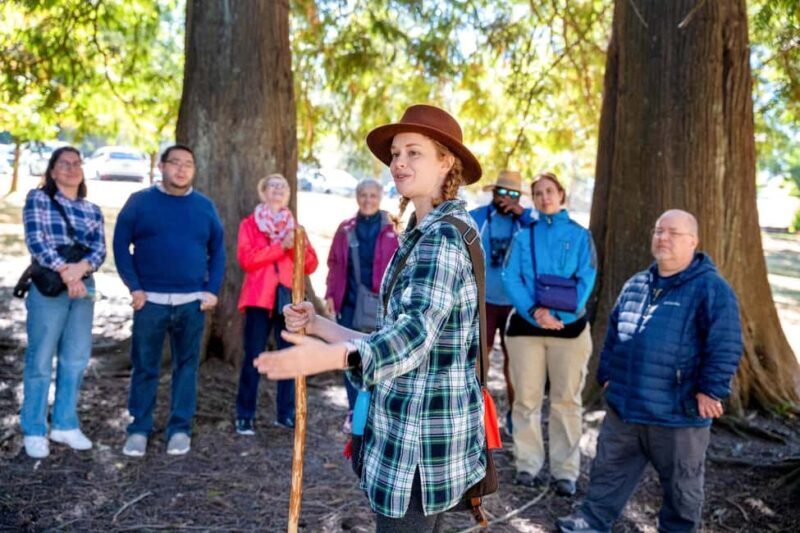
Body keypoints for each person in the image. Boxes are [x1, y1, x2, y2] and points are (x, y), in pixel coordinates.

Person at [254, 104, 487, 531]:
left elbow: (412, 337)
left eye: (414, 152)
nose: (398, 163)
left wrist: (331, 357)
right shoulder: (422, 231)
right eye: (395, 154)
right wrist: (320, 327)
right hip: (411, 435)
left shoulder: (441, 237)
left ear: (446, 162)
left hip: (418, 445)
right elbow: (393, 336)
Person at [557, 209, 743, 533]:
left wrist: (711, 389)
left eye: (673, 233)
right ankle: (592, 520)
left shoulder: (711, 289)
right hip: (626, 406)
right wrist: (607, 376)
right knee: (608, 470)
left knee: (682, 486)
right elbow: (613, 335)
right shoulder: (637, 284)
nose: (663, 238)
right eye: (659, 231)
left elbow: (725, 343)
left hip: (677, 412)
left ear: (693, 241)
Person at [113, 144, 225, 457]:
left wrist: (211, 289)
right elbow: (120, 245)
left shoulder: (204, 206)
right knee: (145, 367)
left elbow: (218, 249)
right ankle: (139, 428)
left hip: (192, 302)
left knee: (186, 368)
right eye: (175, 162)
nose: (181, 169)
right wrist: (134, 287)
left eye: (188, 164)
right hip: (150, 301)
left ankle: (179, 429)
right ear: (162, 166)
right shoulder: (140, 202)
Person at [502, 172, 596, 496]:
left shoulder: (581, 236)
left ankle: (565, 471)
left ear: (562, 195)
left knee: (566, 402)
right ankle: (527, 464)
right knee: (526, 400)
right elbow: (510, 276)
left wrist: (558, 314)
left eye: (550, 191)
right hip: (526, 330)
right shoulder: (523, 236)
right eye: (538, 193)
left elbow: (587, 277)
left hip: (569, 331)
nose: (544, 197)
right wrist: (536, 312)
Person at [20, 147, 106, 459]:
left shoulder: (92, 209)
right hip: (50, 285)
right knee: (40, 359)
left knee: (76, 357)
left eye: (76, 163)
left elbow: (99, 250)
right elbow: (37, 242)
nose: (71, 168)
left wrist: (81, 270)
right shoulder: (38, 199)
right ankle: (34, 428)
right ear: (53, 171)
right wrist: (67, 274)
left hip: (83, 287)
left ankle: (65, 424)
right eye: (63, 163)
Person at [234, 173, 318, 435]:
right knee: (253, 356)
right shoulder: (249, 224)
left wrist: (293, 247)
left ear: (288, 195)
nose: (278, 190)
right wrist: (280, 247)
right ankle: (244, 415)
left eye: (283, 187)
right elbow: (247, 259)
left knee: (289, 355)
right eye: (272, 186)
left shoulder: (296, 227)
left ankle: (286, 413)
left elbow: (311, 264)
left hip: (287, 301)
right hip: (258, 300)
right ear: (263, 192)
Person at [324, 178, 398, 429]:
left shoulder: (393, 228)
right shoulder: (345, 229)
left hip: (383, 305)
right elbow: (335, 263)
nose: (368, 200)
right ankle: (354, 410)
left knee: (380, 356)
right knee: (352, 357)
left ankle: (377, 412)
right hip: (350, 302)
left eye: (372, 195)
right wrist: (331, 295)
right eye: (363, 195)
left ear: (380, 198)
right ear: (357, 197)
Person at [469, 170, 533, 434]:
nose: (507, 198)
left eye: (513, 194)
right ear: (494, 193)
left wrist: (522, 214)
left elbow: (541, 233)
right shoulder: (479, 217)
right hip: (483, 300)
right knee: (479, 359)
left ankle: (514, 416)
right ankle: (475, 415)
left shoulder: (525, 221)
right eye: (502, 192)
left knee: (514, 361)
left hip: (515, 303)